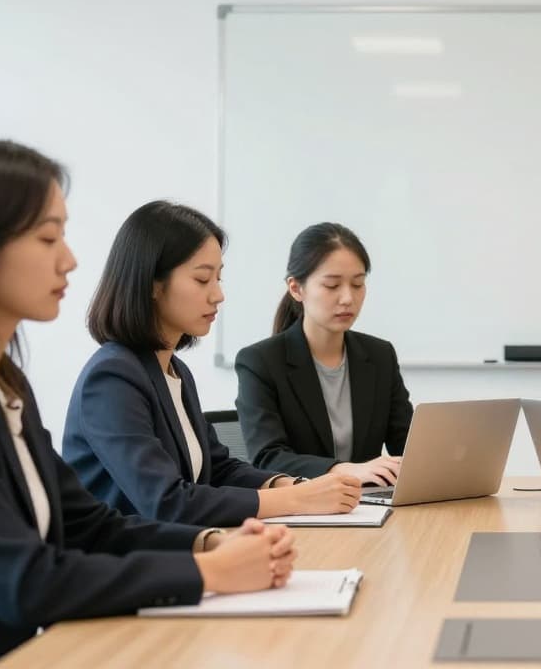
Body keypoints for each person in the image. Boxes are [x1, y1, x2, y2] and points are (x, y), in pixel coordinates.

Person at [0, 136, 293, 668]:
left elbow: (91, 526)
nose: (70, 260)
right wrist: (210, 574)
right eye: (48, 238)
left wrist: (209, 546)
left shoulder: (1, 382)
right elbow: (24, 579)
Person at [64, 202, 362, 526]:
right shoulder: (112, 379)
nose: (218, 294)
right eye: (203, 279)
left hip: (179, 550)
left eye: (218, 278)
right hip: (126, 565)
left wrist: (293, 485)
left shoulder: (174, 371)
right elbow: (168, 502)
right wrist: (297, 500)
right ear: (152, 283)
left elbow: (219, 468)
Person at [235, 223, 411, 483]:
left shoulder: (380, 355)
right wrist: (344, 469)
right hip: (303, 510)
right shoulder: (260, 362)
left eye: (358, 284)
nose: (348, 298)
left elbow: (407, 445)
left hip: (369, 506)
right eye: (332, 285)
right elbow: (268, 457)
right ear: (296, 288)